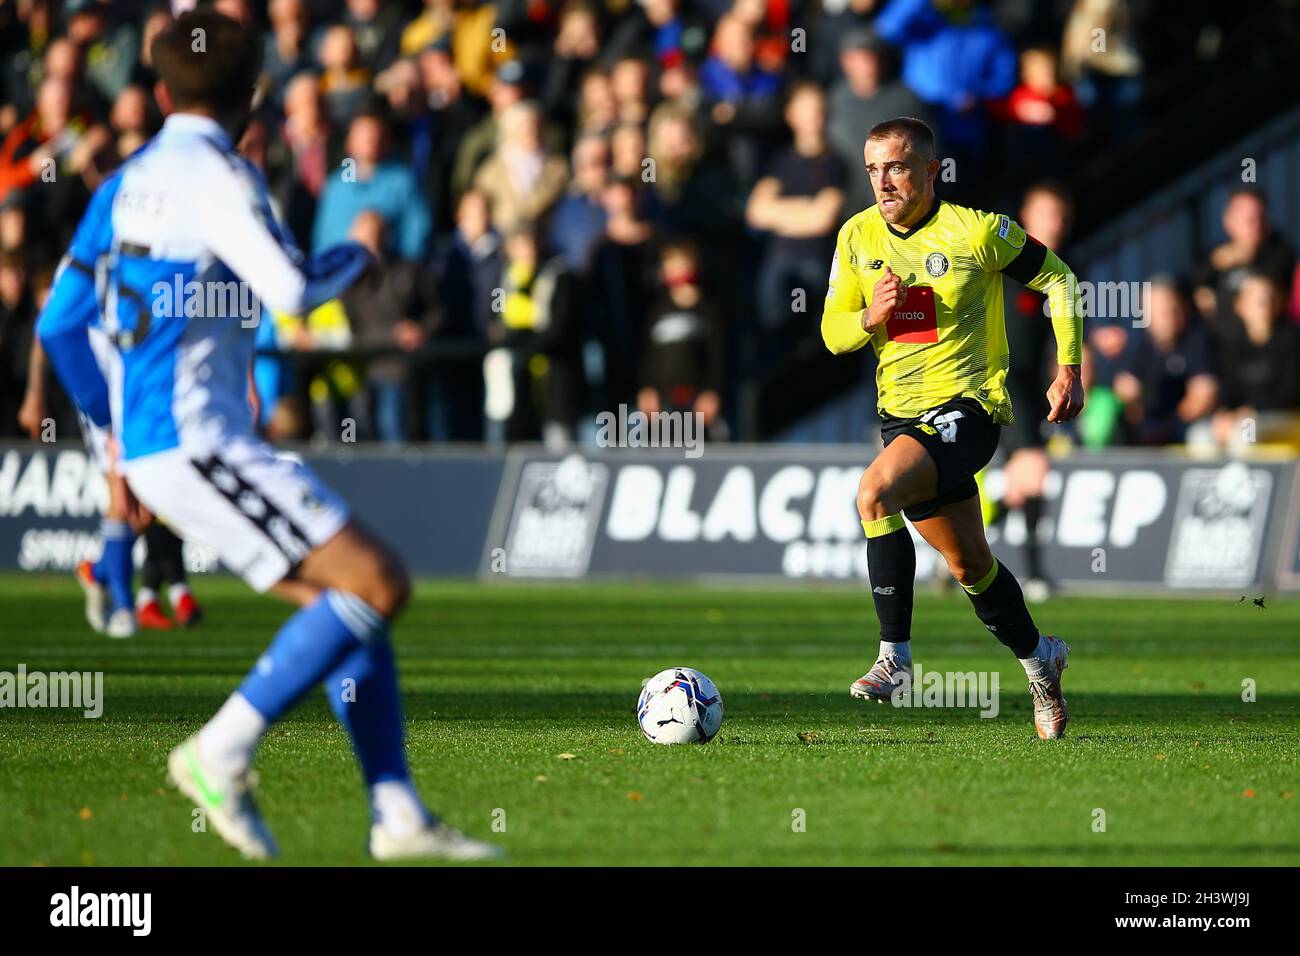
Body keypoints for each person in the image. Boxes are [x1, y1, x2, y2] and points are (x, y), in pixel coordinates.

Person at [37, 9, 498, 862]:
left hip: (159, 443)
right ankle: (220, 750)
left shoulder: (124, 182)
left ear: (161, 89)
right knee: (380, 580)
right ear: (253, 94)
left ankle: (396, 814)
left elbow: (62, 324)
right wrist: (359, 252)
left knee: (348, 606)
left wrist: (112, 456)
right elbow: (290, 288)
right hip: (198, 439)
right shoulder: (223, 176)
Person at [821, 116, 1083, 739]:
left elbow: (1061, 279)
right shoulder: (856, 236)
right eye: (873, 170)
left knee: (873, 493)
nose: (883, 182)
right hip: (901, 420)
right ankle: (1041, 658)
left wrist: (1068, 366)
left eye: (897, 167)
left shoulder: (975, 231)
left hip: (969, 410)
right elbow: (832, 334)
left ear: (932, 170)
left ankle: (896, 661)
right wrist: (868, 318)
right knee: (972, 568)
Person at [989, 181, 1075, 600]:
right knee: (1035, 470)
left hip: (1032, 384)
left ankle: (956, 550)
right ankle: (1036, 572)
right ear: (1027, 217)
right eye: (1046, 214)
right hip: (1001, 381)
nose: (1054, 224)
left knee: (1021, 484)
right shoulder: (1006, 263)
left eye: (1059, 216)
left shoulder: (1062, 271)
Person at [1112, 277, 1218, 446]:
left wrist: (1170, 425)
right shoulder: (1139, 345)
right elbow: (1124, 388)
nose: (1168, 317)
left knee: (1202, 437)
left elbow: (1204, 394)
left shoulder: (1197, 342)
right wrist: (1135, 406)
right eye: (1159, 312)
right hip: (1145, 427)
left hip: (1185, 427)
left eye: (1172, 309)